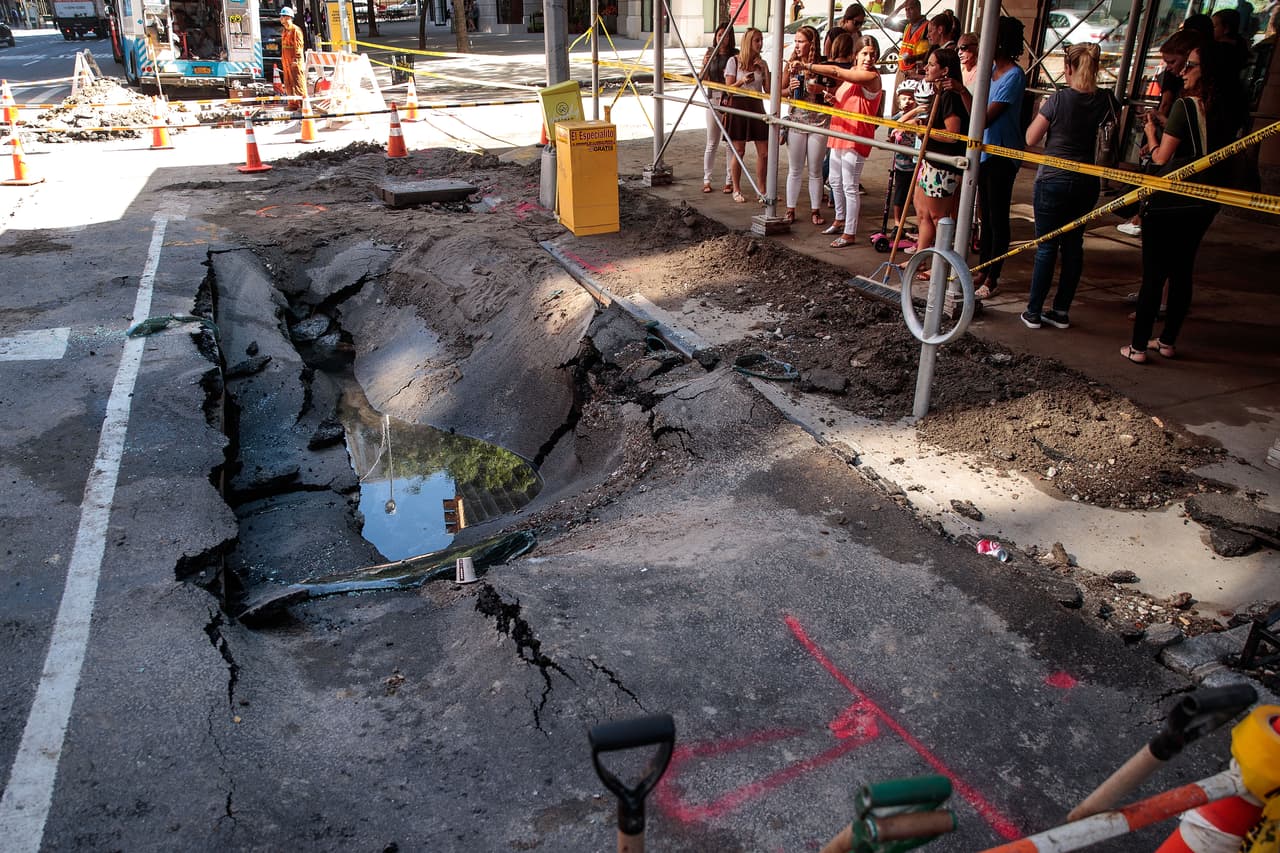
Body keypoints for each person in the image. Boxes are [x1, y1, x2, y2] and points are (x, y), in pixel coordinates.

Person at [1122, 39, 1235, 363]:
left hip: (1171, 200)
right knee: (1182, 270)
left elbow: (1160, 157)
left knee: (1154, 275)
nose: (1183, 73)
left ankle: (1138, 346)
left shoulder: (1187, 107)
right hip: (1205, 200)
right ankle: (1167, 340)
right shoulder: (1227, 109)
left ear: (1207, 71)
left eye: (1191, 66)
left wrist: (1151, 131)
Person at [1022, 43, 1116, 330]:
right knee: (1074, 246)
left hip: (1053, 178)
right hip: (1086, 182)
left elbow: (1031, 138)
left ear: (1068, 69)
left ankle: (1034, 311)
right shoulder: (1108, 100)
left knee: (1046, 247)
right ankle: (1061, 310)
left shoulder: (1059, 99)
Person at [806, 35, 884, 247]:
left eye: (872, 54)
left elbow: (836, 71)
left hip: (855, 135)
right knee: (835, 180)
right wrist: (832, 98)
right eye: (865, 53)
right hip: (840, 133)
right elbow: (844, 98)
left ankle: (850, 231)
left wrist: (809, 65)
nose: (869, 58)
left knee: (849, 184)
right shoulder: (852, 79)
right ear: (855, 55)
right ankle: (840, 219)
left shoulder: (870, 76)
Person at [973, 16, 1027, 300]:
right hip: (985, 152)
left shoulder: (1014, 76)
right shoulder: (991, 70)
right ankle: (984, 265)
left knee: (997, 216)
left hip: (1002, 154)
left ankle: (993, 276)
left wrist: (961, 93)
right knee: (985, 215)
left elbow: (985, 116)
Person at [904, 47, 967, 274]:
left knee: (939, 217)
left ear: (945, 70)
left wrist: (923, 131)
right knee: (922, 213)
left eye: (931, 64)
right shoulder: (937, 94)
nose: (926, 68)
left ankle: (940, 267)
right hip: (930, 162)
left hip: (943, 165)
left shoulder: (950, 96)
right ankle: (920, 258)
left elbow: (952, 134)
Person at [783, 25, 830, 225]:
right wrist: (789, 88)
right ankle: (790, 209)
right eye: (796, 41)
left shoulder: (821, 64)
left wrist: (819, 89)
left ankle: (815, 210)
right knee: (794, 169)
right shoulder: (791, 64)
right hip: (796, 120)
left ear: (812, 43)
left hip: (819, 121)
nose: (797, 45)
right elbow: (779, 91)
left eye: (801, 41)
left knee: (815, 169)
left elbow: (832, 92)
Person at [724, 26, 770, 204]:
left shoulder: (761, 63)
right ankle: (736, 188)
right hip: (739, 104)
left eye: (761, 40)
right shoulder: (734, 61)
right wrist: (741, 81)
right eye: (756, 40)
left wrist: (765, 70)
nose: (760, 44)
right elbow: (727, 90)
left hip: (756, 105)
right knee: (739, 150)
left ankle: (762, 189)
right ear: (748, 42)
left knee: (764, 152)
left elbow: (768, 90)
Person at [700, 24, 737, 195]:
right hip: (713, 99)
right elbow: (702, 78)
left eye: (726, 35)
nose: (722, 38)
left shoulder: (735, 56)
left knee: (730, 142)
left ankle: (729, 181)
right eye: (719, 34)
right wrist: (705, 64)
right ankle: (707, 179)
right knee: (712, 141)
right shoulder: (710, 54)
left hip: (729, 100)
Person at [887, 82, 920, 233]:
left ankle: (920, 222)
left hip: (917, 165)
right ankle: (897, 223)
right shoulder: (896, 118)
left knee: (917, 196)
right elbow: (893, 132)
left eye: (911, 98)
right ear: (898, 101)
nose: (908, 102)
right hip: (902, 164)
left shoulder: (921, 118)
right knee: (900, 194)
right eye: (904, 99)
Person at [279, 6, 306, 108]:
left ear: (288, 18)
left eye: (283, 16)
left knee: (298, 81)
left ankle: (303, 104)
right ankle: (293, 104)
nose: (281, 19)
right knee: (288, 82)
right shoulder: (285, 31)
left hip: (294, 60)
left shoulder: (296, 30)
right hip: (286, 60)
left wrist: (296, 59)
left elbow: (298, 46)